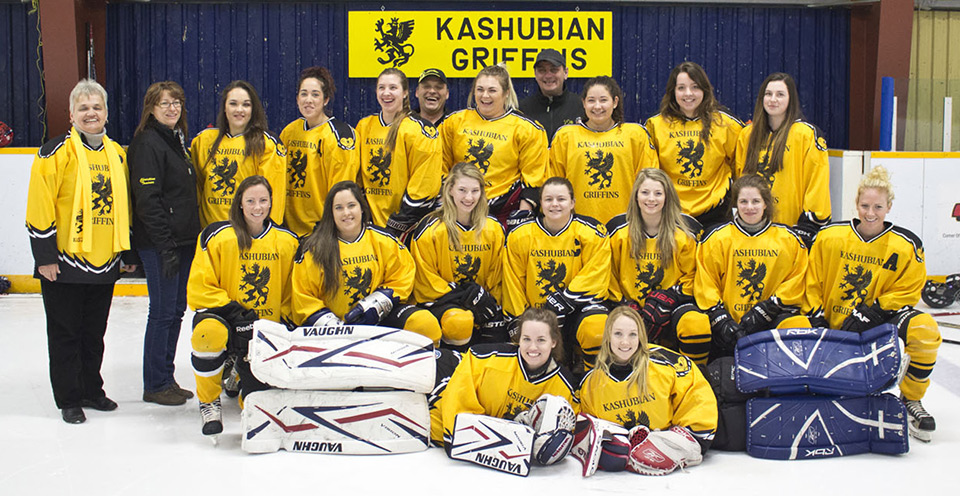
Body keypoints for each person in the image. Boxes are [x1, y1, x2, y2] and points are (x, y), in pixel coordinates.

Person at [26, 79, 136, 424]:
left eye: (97, 107)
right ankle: (69, 398)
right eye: (84, 107)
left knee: (94, 334)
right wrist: (44, 256)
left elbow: (125, 206)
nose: (91, 113)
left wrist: (126, 252)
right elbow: (39, 206)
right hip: (63, 263)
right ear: (71, 114)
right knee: (65, 334)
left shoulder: (117, 153)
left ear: (106, 113)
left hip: (104, 262)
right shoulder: (54, 152)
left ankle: (92, 390)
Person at [804, 166, 941, 442]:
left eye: (878, 206)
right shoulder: (829, 237)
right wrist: (817, 317)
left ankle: (911, 399)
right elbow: (811, 282)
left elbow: (909, 289)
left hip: (878, 322)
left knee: (925, 330)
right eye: (865, 205)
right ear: (855, 204)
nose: (870, 213)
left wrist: (874, 311)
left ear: (889, 206)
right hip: (833, 324)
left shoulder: (906, 245)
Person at [187, 175, 299, 437]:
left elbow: (292, 293)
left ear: (272, 203)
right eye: (250, 201)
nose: (257, 207)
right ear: (240, 203)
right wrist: (234, 313)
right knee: (207, 336)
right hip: (225, 319)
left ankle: (240, 370)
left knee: (257, 404)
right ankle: (208, 400)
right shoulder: (216, 236)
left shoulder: (288, 242)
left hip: (263, 331)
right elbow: (199, 287)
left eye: (263, 200)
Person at [291, 181, 441, 344]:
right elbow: (303, 296)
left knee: (425, 324)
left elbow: (403, 275)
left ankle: (435, 365)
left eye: (351, 205)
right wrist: (334, 327)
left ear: (361, 207)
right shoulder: (313, 248)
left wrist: (376, 305)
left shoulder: (383, 240)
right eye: (339, 208)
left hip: (379, 320)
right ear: (331, 213)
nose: (346, 213)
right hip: (333, 331)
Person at [128, 81, 199, 406]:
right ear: (151, 108)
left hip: (182, 241)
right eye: (164, 103)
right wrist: (165, 245)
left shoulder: (175, 141)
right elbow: (147, 200)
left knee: (175, 310)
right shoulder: (148, 143)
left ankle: (166, 377)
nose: (172, 108)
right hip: (161, 245)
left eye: (177, 103)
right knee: (161, 312)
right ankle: (154, 382)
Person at [695, 175, 810, 358]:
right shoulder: (717, 238)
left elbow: (796, 279)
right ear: (736, 205)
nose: (749, 207)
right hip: (729, 325)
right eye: (743, 201)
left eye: (756, 201)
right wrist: (721, 318)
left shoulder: (788, 239)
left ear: (766, 204)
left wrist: (768, 309)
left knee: (800, 324)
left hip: (770, 321)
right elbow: (706, 282)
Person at [503, 177, 610, 370]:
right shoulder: (520, 235)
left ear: (572, 203)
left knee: (596, 329)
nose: (554, 204)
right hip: (536, 314)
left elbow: (596, 274)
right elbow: (513, 283)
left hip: (576, 311)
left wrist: (563, 300)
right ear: (541, 204)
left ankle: (590, 380)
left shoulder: (592, 233)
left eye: (561, 199)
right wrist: (519, 320)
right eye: (548, 199)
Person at [607, 169, 711, 365]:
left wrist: (671, 297)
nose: (651, 199)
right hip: (630, 307)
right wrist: (622, 304)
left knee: (696, 325)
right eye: (645, 192)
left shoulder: (685, 233)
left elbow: (694, 275)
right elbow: (608, 273)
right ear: (636, 195)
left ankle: (696, 376)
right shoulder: (618, 231)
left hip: (671, 307)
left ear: (667, 196)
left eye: (658, 193)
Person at [579, 306, 717, 452]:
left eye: (632, 334)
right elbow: (589, 430)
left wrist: (688, 441)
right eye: (618, 334)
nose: (625, 342)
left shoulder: (667, 364)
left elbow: (697, 396)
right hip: (622, 462)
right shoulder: (591, 383)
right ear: (608, 336)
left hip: (668, 448)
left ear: (641, 336)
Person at [435, 307, 579, 446]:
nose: (533, 347)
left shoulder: (565, 387)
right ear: (519, 339)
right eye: (526, 339)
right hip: (449, 422)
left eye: (541, 340)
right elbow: (456, 406)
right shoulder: (483, 358)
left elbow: (568, 432)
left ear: (553, 342)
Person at [410, 162, 507, 348]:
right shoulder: (431, 229)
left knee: (499, 326)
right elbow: (425, 281)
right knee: (459, 322)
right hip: (443, 303)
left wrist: (487, 300)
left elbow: (498, 277)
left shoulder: (494, 229)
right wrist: (463, 297)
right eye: (462, 190)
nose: (469, 197)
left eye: (475, 191)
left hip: (481, 301)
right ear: (450, 190)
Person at [440, 64, 549, 225]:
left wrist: (521, 218)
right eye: (480, 89)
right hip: (459, 208)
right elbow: (440, 165)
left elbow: (534, 178)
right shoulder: (453, 122)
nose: (485, 96)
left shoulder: (527, 128)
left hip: (503, 212)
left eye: (492, 90)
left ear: (506, 93)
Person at [735, 73, 830, 246]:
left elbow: (817, 182)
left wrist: (810, 223)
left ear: (790, 99)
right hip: (755, 227)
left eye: (780, 94)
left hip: (791, 228)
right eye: (768, 94)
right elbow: (741, 179)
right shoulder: (747, 135)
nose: (773, 99)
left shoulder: (806, 135)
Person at [646, 62, 744, 229]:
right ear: (673, 91)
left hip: (717, 213)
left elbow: (741, 167)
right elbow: (651, 174)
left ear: (705, 90)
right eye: (681, 88)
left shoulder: (726, 124)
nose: (688, 94)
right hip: (671, 213)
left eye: (695, 87)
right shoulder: (655, 125)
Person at [550, 76, 658, 224]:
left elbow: (650, 182)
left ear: (615, 102)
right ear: (583, 103)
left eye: (603, 100)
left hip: (625, 225)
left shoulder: (635, 135)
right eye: (591, 100)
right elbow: (553, 185)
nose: (597, 106)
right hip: (578, 226)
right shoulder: (565, 136)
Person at [356, 68, 442, 238]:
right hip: (369, 226)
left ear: (404, 93)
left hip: (405, 229)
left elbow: (424, 185)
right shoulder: (364, 126)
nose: (386, 93)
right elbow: (357, 177)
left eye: (393, 88)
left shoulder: (420, 130)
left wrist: (396, 225)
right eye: (381, 88)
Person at [191, 80, 286, 228]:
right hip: (212, 233)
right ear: (224, 107)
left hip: (248, 234)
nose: (239, 110)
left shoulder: (266, 143)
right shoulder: (204, 141)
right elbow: (197, 187)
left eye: (246, 105)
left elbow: (274, 195)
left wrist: (267, 233)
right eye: (233, 104)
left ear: (253, 109)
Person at [280, 66, 360, 238]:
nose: (308, 100)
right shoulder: (290, 131)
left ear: (326, 99)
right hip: (288, 232)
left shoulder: (339, 136)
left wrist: (328, 232)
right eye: (304, 94)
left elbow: (342, 193)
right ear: (297, 99)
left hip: (321, 233)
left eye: (315, 94)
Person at [519, 49, 585, 142]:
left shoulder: (581, 107)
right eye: (542, 70)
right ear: (535, 74)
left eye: (554, 70)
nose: (548, 76)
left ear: (565, 73)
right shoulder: (522, 110)